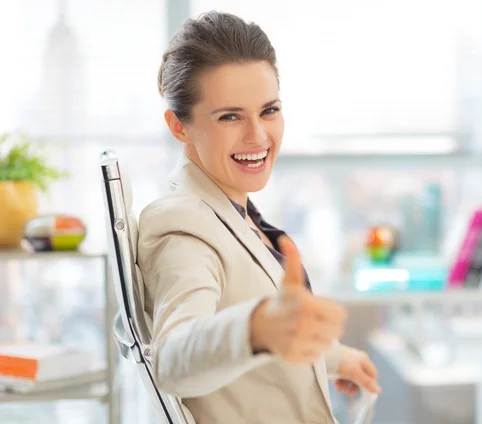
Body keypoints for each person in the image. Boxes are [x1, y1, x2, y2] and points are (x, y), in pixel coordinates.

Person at [137, 10, 381, 424]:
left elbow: (240, 304)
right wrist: (257, 328)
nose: (258, 136)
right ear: (178, 126)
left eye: (269, 110)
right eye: (229, 116)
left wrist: (331, 356)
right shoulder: (182, 227)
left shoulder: (231, 207)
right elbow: (174, 356)